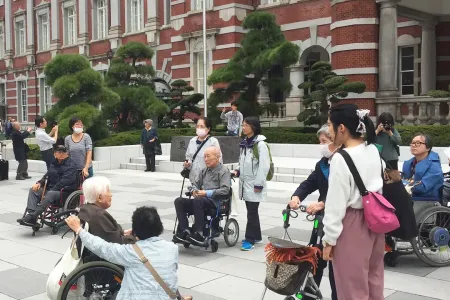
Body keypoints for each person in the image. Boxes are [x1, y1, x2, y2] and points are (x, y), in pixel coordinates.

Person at [321, 104, 384, 300]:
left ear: (342, 128)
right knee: (374, 280)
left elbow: (335, 204)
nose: (329, 131)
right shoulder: (373, 150)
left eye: (330, 125)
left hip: (352, 224)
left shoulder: (341, 158)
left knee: (351, 288)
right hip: (375, 221)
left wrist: (329, 240)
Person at [65, 206, 190, 300]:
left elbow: (102, 247)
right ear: (159, 227)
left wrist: (79, 230)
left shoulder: (131, 252)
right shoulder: (172, 249)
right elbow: (169, 275)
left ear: (135, 230)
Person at [288, 124, 338, 300]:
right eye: (320, 142)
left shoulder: (345, 163)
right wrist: (296, 197)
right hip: (322, 220)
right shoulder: (322, 164)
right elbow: (309, 183)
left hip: (340, 221)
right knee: (314, 257)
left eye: (324, 141)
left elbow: (346, 193)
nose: (321, 146)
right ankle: (309, 293)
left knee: (336, 266)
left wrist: (323, 203)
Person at [174, 146, 231, 245]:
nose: (206, 159)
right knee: (179, 201)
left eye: (208, 156)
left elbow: (225, 190)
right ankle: (184, 230)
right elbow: (195, 184)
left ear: (217, 157)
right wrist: (194, 191)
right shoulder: (204, 170)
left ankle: (199, 233)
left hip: (214, 202)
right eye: (204, 157)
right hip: (200, 201)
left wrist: (206, 193)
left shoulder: (224, 171)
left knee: (198, 200)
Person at [78, 176, 135, 262]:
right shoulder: (98, 215)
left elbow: (107, 234)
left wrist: (123, 232)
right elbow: (116, 243)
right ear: (99, 198)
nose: (111, 194)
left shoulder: (86, 209)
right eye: (108, 191)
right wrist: (135, 238)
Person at [234, 116, 270, 251]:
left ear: (253, 127)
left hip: (254, 183)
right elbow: (242, 161)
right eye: (243, 125)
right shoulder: (245, 142)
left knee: (252, 212)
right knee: (252, 210)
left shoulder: (260, 144)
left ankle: (250, 239)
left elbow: (264, 166)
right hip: (246, 183)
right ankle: (256, 235)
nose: (243, 128)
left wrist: (259, 184)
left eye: (246, 125)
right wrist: (237, 170)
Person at [17, 145, 78, 225]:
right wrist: (39, 183)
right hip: (51, 189)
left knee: (50, 194)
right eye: (58, 152)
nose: (61, 154)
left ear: (66, 153)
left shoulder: (70, 165)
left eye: (63, 152)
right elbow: (47, 176)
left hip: (64, 191)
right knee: (33, 190)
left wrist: (51, 190)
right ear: (55, 154)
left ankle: (34, 217)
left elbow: (64, 182)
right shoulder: (54, 163)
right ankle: (30, 215)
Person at [402, 133, 444, 200]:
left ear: (428, 148)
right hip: (409, 198)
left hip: (425, 201)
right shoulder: (410, 163)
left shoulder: (434, 166)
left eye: (418, 143)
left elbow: (423, 188)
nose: (413, 145)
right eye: (412, 143)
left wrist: (402, 183)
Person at [184, 117, 222, 184]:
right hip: (194, 179)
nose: (199, 128)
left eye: (202, 126)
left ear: (208, 129)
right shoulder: (192, 141)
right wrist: (187, 164)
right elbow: (188, 157)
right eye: (197, 126)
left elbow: (219, 160)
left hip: (208, 180)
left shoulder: (213, 142)